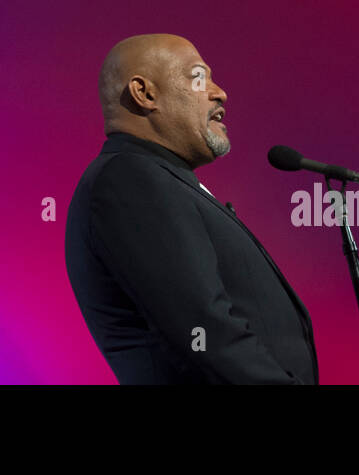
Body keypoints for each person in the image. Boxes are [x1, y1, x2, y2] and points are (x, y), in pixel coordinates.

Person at [65, 33, 318, 384]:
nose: (219, 92)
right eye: (199, 77)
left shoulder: (160, 178)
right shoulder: (130, 179)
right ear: (145, 94)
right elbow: (204, 330)